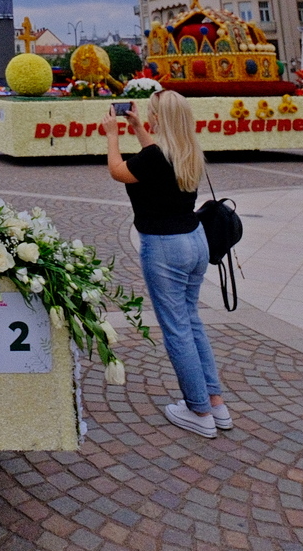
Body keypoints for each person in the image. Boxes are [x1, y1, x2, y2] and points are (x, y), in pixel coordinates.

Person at [101, 89, 232, 439]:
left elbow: (118, 170)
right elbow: (155, 157)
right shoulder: (188, 150)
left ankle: (198, 410)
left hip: (164, 246)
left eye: (151, 113)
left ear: (161, 118)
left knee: (176, 328)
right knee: (191, 320)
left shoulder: (157, 158)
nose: (149, 117)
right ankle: (216, 402)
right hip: (195, 240)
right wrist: (139, 129)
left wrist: (113, 136)